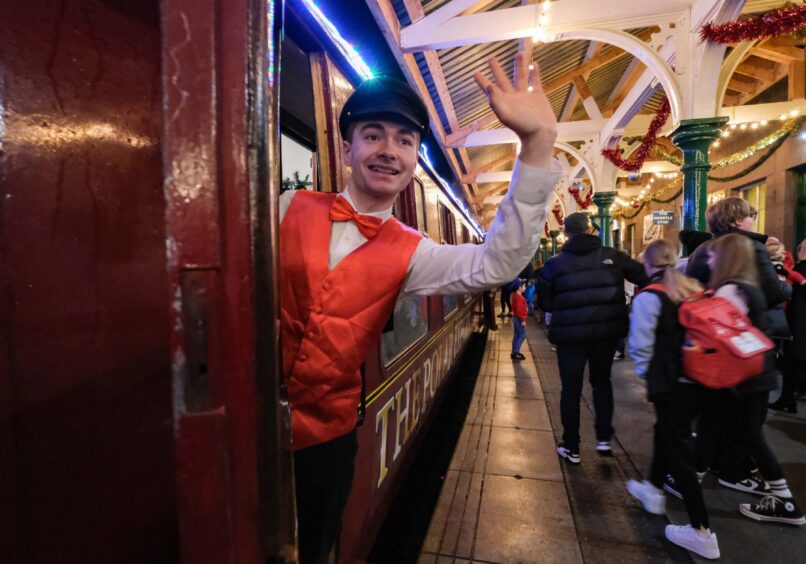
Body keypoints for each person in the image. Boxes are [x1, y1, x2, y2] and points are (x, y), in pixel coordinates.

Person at [279, 54, 561, 562]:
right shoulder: (283, 208)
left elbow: (496, 263)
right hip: (248, 425)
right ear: (347, 148)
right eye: (373, 135)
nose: (389, 151)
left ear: (413, 161)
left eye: (404, 141)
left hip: (325, 443)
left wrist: (536, 146)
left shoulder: (414, 252)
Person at [686, 197, 791, 495]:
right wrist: (783, 279)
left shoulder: (700, 250)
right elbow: (773, 291)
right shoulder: (747, 248)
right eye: (750, 216)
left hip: (713, 344)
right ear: (736, 220)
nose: (752, 221)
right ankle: (735, 470)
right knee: (747, 420)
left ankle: (702, 471)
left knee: (715, 415)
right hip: (746, 346)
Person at [626, 239, 719, 560]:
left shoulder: (649, 298)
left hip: (671, 385)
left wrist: (649, 380)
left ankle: (701, 531)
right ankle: (652, 490)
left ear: (647, 264)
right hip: (702, 380)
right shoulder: (696, 288)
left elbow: (640, 348)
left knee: (678, 451)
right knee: (666, 433)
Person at [706, 234, 805, 526]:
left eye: (713, 255)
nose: (709, 259)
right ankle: (783, 499)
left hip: (741, 375)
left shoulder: (728, 291)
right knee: (741, 433)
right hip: (755, 372)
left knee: (740, 434)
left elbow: (720, 334)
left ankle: (785, 502)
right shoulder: (751, 286)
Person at [537, 212, 648, 464]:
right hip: (605, 336)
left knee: (571, 390)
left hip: (570, 338)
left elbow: (545, 303)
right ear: (590, 230)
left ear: (566, 234)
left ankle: (572, 445)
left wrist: (566, 306)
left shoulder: (554, 265)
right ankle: (603, 439)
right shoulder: (613, 256)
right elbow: (644, 276)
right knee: (601, 383)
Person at [511, 279, 528, 360]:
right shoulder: (519, 297)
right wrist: (523, 320)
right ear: (519, 287)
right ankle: (516, 352)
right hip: (518, 319)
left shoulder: (514, 295)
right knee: (522, 335)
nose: (525, 288)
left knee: (517, 335)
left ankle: (514, 351)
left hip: (515, 318)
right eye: (524, 286)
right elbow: (519, 310)